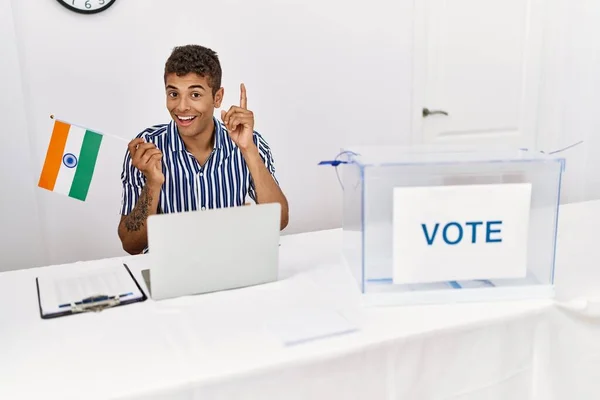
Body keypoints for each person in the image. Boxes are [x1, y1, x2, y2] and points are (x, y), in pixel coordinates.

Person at [117, 44, 289, 255]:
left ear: (217, 98)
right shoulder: (146, 148)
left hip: (231, 264)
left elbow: (279, 221)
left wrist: (248, 150)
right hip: (170, 272)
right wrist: (153, 183)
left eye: (195, 95)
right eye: (173, 94)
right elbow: (130, 245)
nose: (181, 107)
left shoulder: (250, 143)